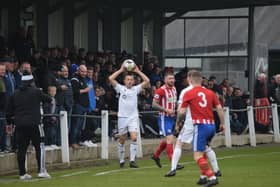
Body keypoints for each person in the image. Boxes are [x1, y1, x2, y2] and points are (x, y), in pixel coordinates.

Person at [165, 70, 221, 180]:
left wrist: (177, 124)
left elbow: (181, 110)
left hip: (193, 123)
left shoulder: (186, 91)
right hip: (208, 123)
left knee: (179, 144)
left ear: (189, 79)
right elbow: (217, 107)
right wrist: (222, 123)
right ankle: (214, 170)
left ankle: (173, 169)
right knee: (205, 147)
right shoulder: (207, 91)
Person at [6, 72, 52, 180]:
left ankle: (22, 173)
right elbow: (49, 99)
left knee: (21, 148)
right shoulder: (36, 91)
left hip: (20, 125)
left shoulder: (14, 93)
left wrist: (9, 123)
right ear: (32, 82)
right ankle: (41, 171)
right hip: (35, 124)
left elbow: (8, 112)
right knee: (39, 147)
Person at [109, 61, 150, 168]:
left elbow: (147, 80)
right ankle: (122, 160)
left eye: (131, 80)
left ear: (134, 81)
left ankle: (132, 161)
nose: (130, 81)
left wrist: (138, 71)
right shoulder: (120, 88)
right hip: (122, 117)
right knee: (122, 139)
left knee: (134, 137)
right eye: (128, 79)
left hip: (133, 117)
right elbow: (110, 79)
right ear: (124, 81)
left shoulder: (136, 89)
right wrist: (121, 70)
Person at [151, 71, 183, 170]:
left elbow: (174, 103)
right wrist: (166, 110)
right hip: (164, 118)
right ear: (165, 80)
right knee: (170, 139)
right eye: (170, 78)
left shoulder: (174, 89)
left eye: (173, 78)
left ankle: (156, 156)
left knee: (167, 139)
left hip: (172, 118)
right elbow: (154, 104)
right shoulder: (160, 90)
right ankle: (174, 163)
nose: (172, 80)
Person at [70, 65, 90, 149]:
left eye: (85, 72)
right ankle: (73, 142)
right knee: (75, 124)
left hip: (84, 106)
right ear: (78, 71)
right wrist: (86, 90)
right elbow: (75, 91)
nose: (84, 73)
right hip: (78, 105)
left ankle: (78, 141)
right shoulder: (74, 79)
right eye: (82, 71)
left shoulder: (83, 79)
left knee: (80, 125)